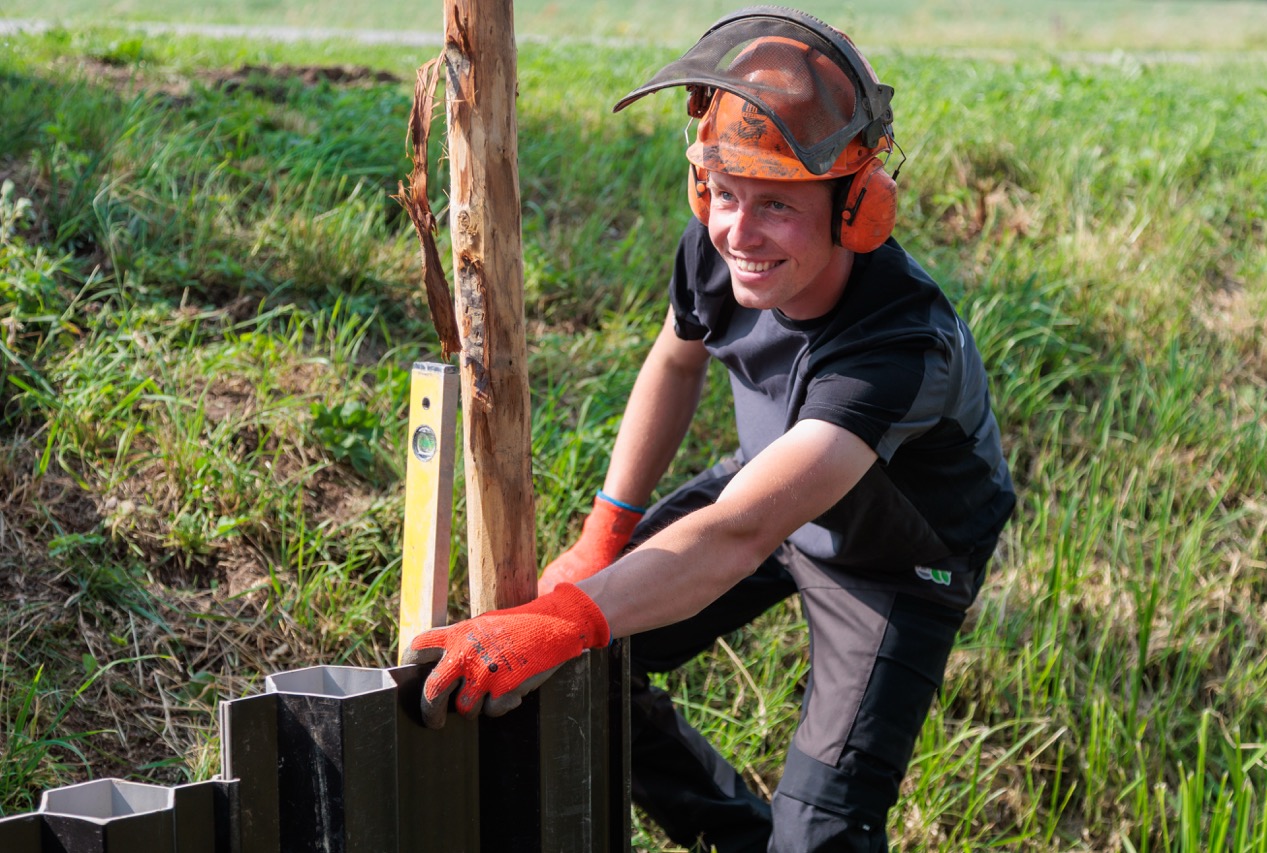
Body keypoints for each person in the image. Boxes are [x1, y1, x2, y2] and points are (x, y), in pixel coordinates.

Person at [406, 7, 1016, 851]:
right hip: (771, 482)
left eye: (776, 206)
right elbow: (676, 361)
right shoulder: (719, 253)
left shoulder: (898, 346)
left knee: (821, 833)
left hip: (895, 558)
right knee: (588, 667)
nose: (738, 230)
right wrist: (604, 532)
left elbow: (738, 532)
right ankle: (735, 835)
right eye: (722, 193)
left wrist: (564, 618)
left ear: (858, 208)